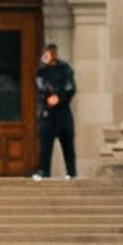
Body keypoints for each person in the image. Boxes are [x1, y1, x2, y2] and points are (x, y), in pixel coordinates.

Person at [32, 43, 78, 180]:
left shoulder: (65, 69)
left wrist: (59, 96)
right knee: (45, 143)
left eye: (49, 53)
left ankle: (71, 172)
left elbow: (70, 87)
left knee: (67, 142)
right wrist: (48, 96)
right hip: (49, 112)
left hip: (63, 111)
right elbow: (41, 87)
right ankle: (43, 170)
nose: (46, 56)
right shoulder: (42, 72)